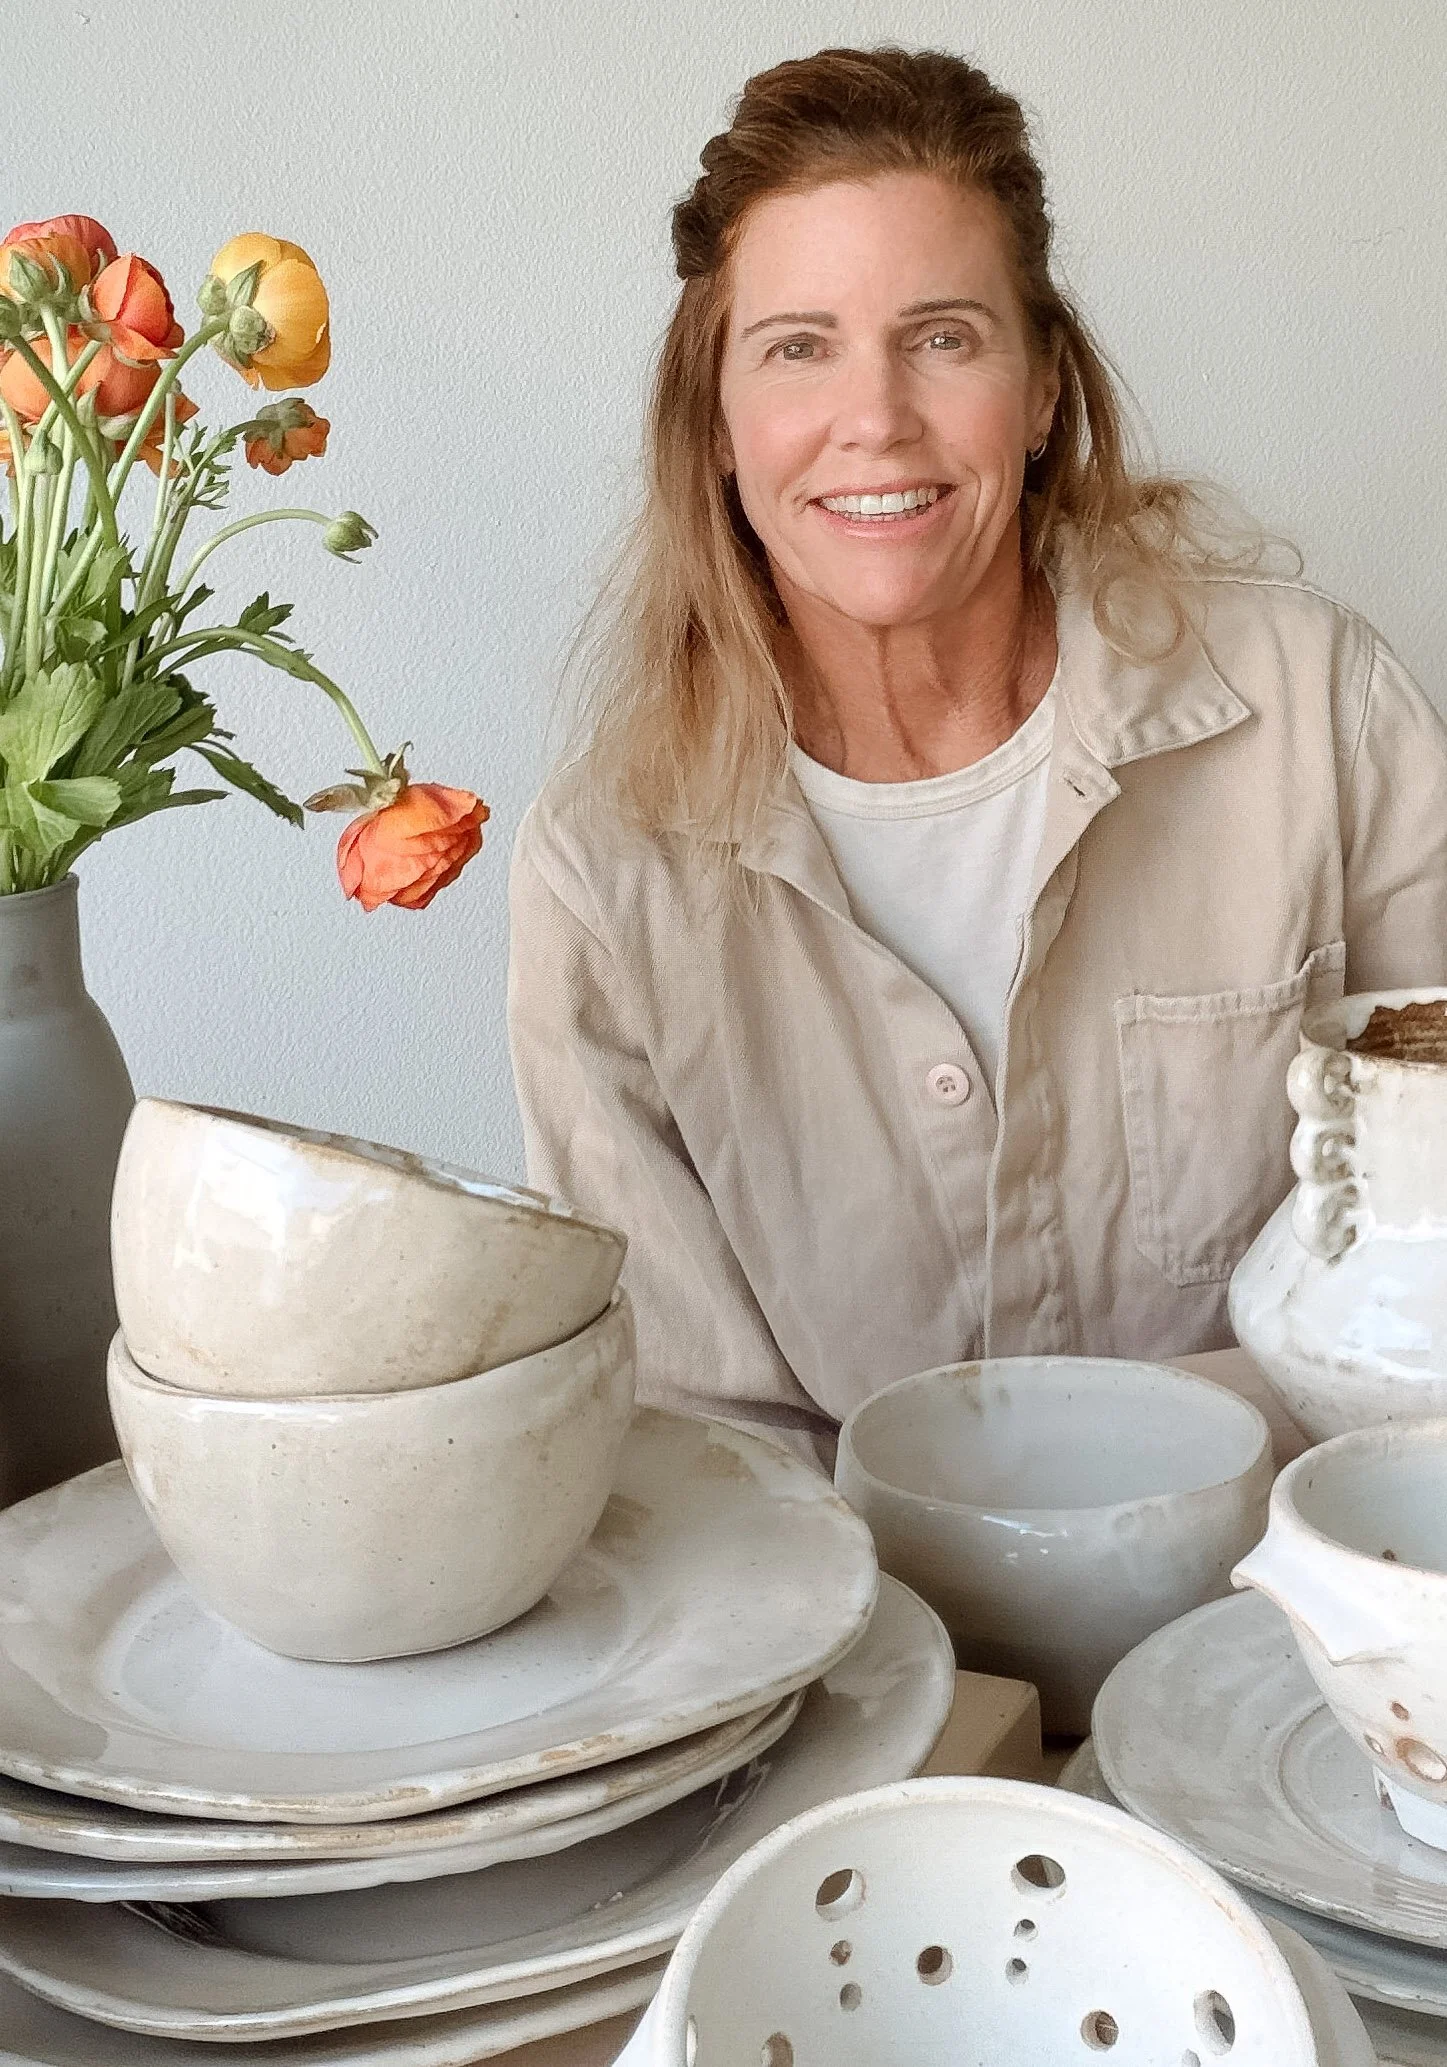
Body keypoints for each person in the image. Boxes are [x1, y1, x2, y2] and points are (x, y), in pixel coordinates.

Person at [508, 46, 1447, 1465]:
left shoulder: (1322, 709)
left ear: (1044, 387)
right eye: (798, 346)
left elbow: (1425, 1294)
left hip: (1295, 1615)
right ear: (717, 417)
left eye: (940, 336)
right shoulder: (605, 868)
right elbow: (690, 1442)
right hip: (856, 1651)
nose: (874, 417)